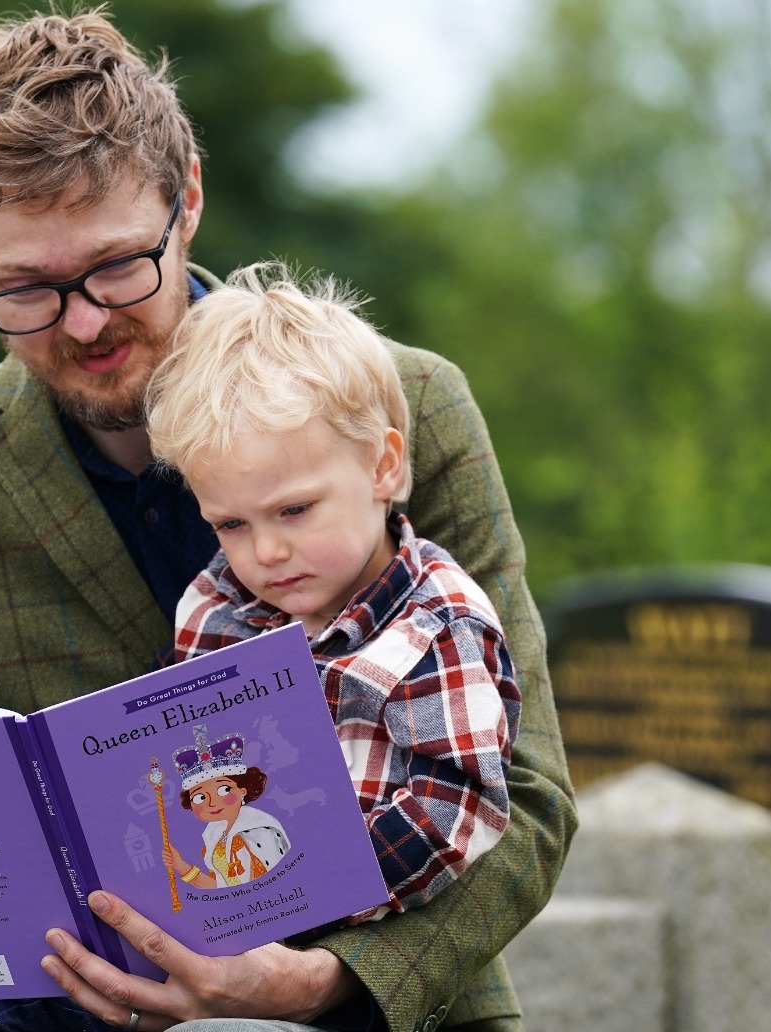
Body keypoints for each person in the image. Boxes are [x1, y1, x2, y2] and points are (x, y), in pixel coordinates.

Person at [0, 8, 576, 1032]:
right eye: (24, 291)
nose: (84, 322)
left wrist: (324, 985)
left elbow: (530, 796)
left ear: (186, 202)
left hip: (360, 995)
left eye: (113, 269)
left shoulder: (404, 405)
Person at [150, 266, 520, 926]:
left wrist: (303, 898)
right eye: (231, 524)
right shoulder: (214, 607)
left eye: (294, 510)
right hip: (219, 903)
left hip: (346, 941)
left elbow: (455, 805)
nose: (264, 552)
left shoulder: (435, 625)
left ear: (383, 467)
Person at [167, 725, 289, 890]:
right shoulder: (214, 836)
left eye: (224, 790)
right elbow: (222, 889)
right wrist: (180, 865)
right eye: (200, 797)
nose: (211, 803)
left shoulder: (259, 832)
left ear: (243, 790)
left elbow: (265, 887)